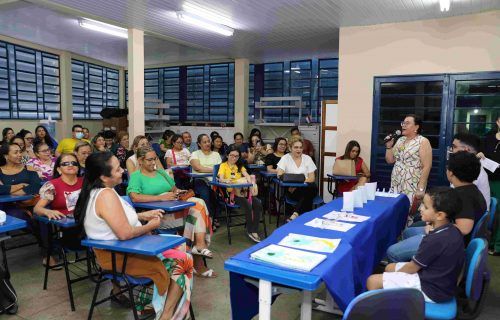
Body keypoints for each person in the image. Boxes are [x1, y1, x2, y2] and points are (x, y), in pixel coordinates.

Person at [74, 152, 193, 319]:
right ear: (103, 176)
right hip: (120, 256)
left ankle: (150, 303)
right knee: (184, 260)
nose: (123, 170)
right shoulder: (106, 195)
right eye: (117, 169)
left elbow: (113, 219)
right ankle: (166, 314)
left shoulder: (100, 191)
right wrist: (150, 226)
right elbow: (124, 233)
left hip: (125, 250)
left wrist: (141, 216)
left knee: (179, 247)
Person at [128, 146, 216, 278]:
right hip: (158, 217)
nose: (153, 162)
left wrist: (179, 193)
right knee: (197, 215)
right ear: (140, 160)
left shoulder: (161, 173)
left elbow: (174, 189)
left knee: (199, 205)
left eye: (155, 159)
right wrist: (160, 197)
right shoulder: (136, 176)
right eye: (149, 160)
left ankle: (197, 248)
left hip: (176, 211)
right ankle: (199, 250)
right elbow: (134, 197)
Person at [367, 187, 465, 304]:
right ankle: (392, 298)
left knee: (372, 281)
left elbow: (412, 268)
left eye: (425, 206)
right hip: (443, 284)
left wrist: (396, 275)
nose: (420, 208)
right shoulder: (454, 230)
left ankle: (385, 310)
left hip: (431, 290)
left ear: (439, 215)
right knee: (388, 268)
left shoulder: (433, 240)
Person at [386, 151, 486, 262]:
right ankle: (419, 261)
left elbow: (464, 229)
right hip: (449, 236)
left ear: (451, 173)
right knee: (408, 232)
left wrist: (435, 228)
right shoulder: (471, 189)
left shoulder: (464, 196)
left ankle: (411, 272)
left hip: (448, 242)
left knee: (392, 252)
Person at [33, 153, 83, 267]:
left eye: (74, 163)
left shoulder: (85, 182)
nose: (70, 165)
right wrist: (48, 211)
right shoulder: (52, 185)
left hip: (86, 222)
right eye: (65, 163)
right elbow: (37, 208)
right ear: (59, 169)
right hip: (69, 228)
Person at [385, 114, 433, 205]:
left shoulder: (422, 141)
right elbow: (390, 160)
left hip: (412, 183)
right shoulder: (400, 140)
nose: (403, 125)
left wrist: (421, 188)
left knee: (408, 211)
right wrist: (389, 147)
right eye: (403, 123)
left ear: (416, 127)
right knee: (394, 210)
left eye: (407, 123)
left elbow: (427, 166)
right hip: (396, 181)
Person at [218, 145, 262, 243]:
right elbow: (220, 178)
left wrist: (250, 181)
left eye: (236, 156)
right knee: (248, 206)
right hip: (231, 195)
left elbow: (247, 176)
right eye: (231, 155)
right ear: (227, 155)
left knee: (257, 204)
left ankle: (254, 230)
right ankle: (250, 231)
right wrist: (226, 180)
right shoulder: (223, 165)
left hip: (243, 192)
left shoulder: (239, 166)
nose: (234, 158)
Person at [0, 142, 41, 231]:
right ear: (6, 156)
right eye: (15, 152)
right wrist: (21, 185)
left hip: (31, 202)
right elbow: (0, 190)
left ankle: (46, 242)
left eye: (20, 152)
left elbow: (36, 186)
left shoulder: (28, 168)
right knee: (19, 216)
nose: (19, 155)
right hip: (9, 205)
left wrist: (9, 189)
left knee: (42, 214)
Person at [277, 136, 319, 221]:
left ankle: (295, 214)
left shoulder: (307, 158)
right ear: (290, 148)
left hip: (307, 187)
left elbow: (312, 178)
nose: (298, 150)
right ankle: (303, 220)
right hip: (291, 190)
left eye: (300, 147)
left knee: (310, 189)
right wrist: (294, 184)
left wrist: (297, 184)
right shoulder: (285, 158)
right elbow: (280, 174)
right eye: (296, 147)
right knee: (307, 196)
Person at [451, 133, 490, 211]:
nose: (452, 150)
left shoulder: (471, 171)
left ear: (466, 149)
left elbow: (457, 201)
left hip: (469, 217)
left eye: (454, 147)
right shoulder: (471, 166)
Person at [190, 134, 222, 220]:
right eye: (204, 142)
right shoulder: (195, 154)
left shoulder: (216, 154)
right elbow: (198, 168)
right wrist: (213, 170)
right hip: (200, 179)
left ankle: (215, 217)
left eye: (208, 141)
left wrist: (207, 169)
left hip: (215, 180)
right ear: (199, 144)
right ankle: (209, 218)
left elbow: (220, 169)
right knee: (206, 194)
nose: (207, 144)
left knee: (218, 194)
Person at [480, 116, 500, 255]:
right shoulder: (488, 138)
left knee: (498, 213)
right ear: (498, 122)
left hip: (499, 182)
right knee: (485, 210)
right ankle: (484, 242)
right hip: (485, 179)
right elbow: (481, 154)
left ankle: (497, 245)